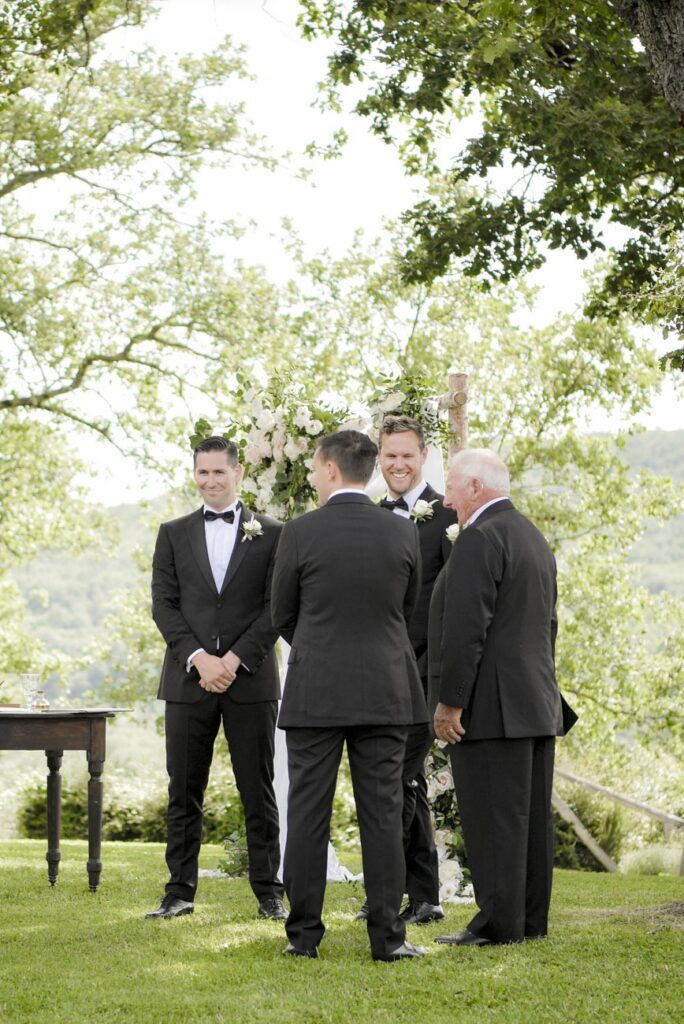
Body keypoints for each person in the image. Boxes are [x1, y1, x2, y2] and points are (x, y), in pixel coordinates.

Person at [271, 430, 428, 961]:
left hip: (316, 690)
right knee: (383, 815)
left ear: (331, 470)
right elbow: (405, 611)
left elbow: (281, 613)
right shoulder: (403, 534)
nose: (314, 477)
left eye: (316, 470)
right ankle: (388, 940)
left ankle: (303, 939)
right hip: (385, 689)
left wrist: (317, 647)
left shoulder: (299, 532)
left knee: (307, 812)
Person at [429, 448, 573, 946]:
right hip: (535, 703)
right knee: (528, 823)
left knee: (494, 820)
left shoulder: (480, 539)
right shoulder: (534, 538)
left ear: (475, 487)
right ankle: (529, 922)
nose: (446, 500)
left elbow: (467, 629)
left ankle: (496, 924)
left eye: (452, 487)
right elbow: (547, 628)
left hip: (490, 707)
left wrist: (450, 702)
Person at [146, 435, 286, 921]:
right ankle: (178, 892)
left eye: (218, 472)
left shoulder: (273, 533)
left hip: (251, 680)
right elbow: (162, 604)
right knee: (183, 790)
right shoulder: (172, 532)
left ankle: (270, 892)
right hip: (188, 681)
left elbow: (278, 606)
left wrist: (234, 660)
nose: (209, 481)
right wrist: (199, 658)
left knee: (258, 788)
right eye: (201, 473)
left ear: (237, 474)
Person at [355, 415, 458, 926]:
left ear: (422, 457)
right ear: (379, 458)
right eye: (389, 456)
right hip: (376, 677)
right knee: (406, 781)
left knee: (390, 781)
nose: (398, 464)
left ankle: (387, 896)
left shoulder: (448, 517)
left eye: (407, 456)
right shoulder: (370, 514)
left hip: (421, 677)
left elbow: (455, 604)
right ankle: (424, 896)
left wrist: (434, 676)